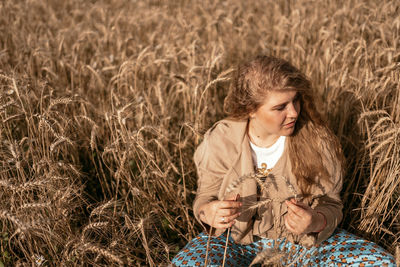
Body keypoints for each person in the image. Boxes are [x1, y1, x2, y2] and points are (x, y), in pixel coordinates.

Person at [172, 56, 395, 266]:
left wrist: (315, 221)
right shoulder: (221, 139)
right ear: (250, 110)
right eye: (280, 107)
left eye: (295, 100)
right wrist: (208, 212)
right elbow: (204, 198)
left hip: (305, 243)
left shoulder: (318, 140)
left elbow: (332, 205)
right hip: (234, 242)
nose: (294, 113)